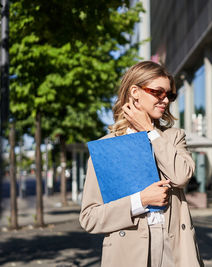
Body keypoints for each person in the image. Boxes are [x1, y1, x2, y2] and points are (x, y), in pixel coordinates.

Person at [79, 61, 204, 267]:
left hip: (175, 247)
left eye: (169, 95)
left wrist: (150, 131)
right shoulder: (107, 147)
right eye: (158, 92)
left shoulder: (173, 137)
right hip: (127, 252)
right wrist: (140, 200)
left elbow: (181, 176)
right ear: (135, 92)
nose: (165, 99)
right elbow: (90, 217)